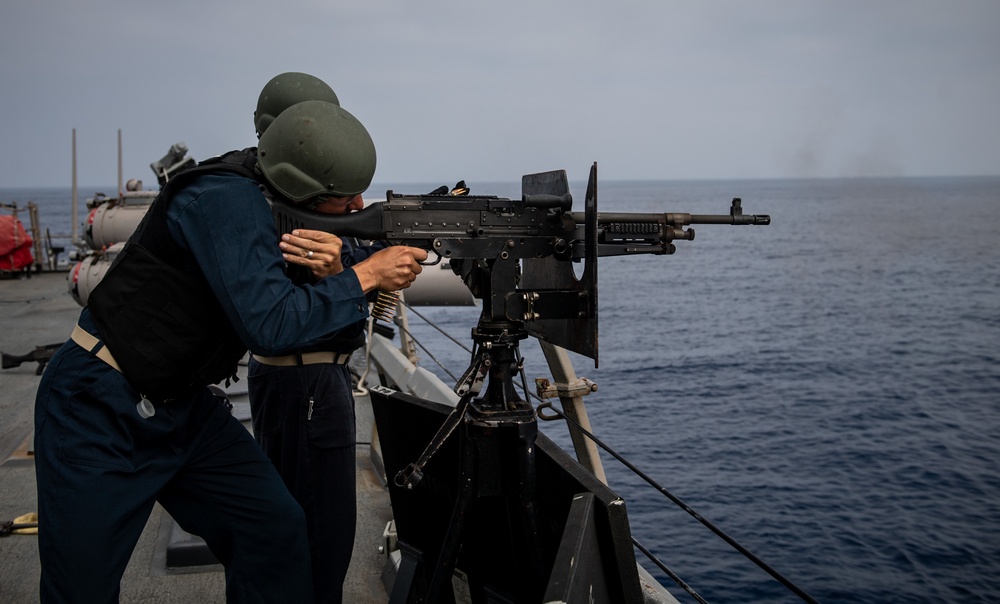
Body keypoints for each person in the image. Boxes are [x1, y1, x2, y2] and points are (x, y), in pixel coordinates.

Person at [33, 92, 427, 603]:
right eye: (344, 196)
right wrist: (367, 274)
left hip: (181, 406)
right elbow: (272, 323)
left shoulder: (263, 189)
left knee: (274, 532)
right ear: (301, 186)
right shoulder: (223, 199)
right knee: (80, 588)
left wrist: (343, 269)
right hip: (99, 405)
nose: (356, 207)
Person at [247, 72, 386, 604]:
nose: (353, 205)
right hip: (306, 385)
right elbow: (304, 306)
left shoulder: (266, 200)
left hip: (287, 382)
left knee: (294, 527)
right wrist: (361, 272)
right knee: (322, 537)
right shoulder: (286, 217)